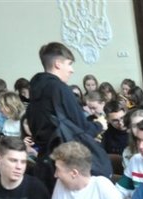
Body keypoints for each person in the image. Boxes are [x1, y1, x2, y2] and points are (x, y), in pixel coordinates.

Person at [27, 42, 106, 182]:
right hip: (66, 164)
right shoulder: (60, 89)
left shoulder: (34, 91)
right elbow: (82, 130)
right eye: (69, 64)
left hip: (45, 163)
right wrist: (99, 125)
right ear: (58, 64)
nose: (72, 70)